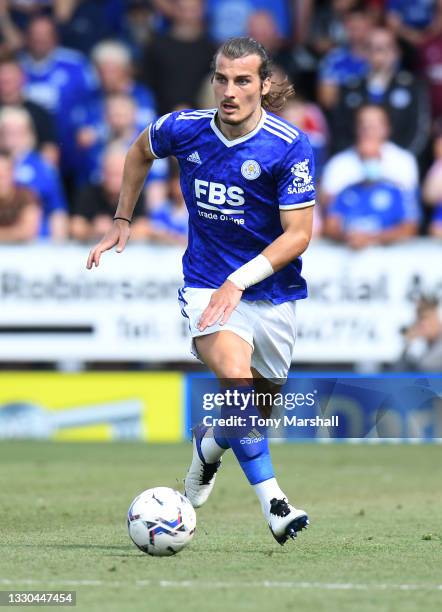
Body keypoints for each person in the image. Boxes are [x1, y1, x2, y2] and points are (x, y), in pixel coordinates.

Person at [87, 37, 315, 545]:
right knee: (234, 377)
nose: (229, 91)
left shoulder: (288, 145)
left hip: (269, 293)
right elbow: (139, 150)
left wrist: (241, 281)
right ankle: (276, 505)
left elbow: (298, 234)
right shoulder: (183, 129)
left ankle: (208, 448)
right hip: (207, 284)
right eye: (221, 78)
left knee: (252, 412)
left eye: (242, 81)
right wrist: (123, 217)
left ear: (264, 85)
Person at [0, 105, 68, 239]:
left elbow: (57, 210)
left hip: (37, 242)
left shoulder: (43, 167)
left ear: (29, 133)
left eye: (18, 131)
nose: (13, 137)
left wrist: (59, 244)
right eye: (8, 131)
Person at [0, 148, 40, 242]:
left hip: (20, 253)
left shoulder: (27, 195)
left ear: (13, 173)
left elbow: (28, 231)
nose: (1, 179)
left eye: (4, 174)